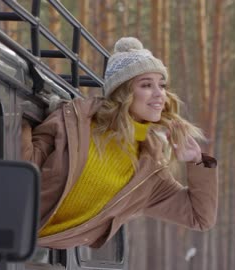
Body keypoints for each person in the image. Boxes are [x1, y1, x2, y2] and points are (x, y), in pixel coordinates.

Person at [22, 37, 218, 249]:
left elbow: (200, 218)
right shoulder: (74, 121)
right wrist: (15, 112)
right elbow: (23, 162)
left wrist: (196, 161)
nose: (159, 94)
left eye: (161, 85)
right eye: (146, 85)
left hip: (37, 254)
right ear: (123, 92)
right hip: (2, 228)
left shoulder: (150, 172)